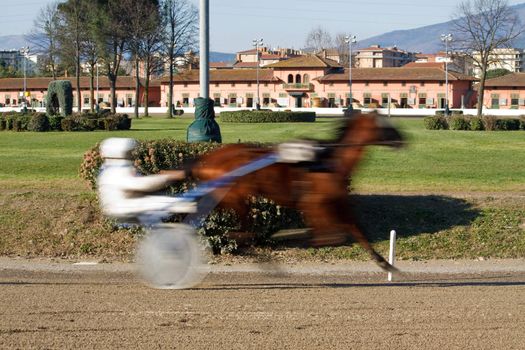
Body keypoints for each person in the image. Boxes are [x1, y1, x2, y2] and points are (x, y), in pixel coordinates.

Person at [97, 137, 196, 220]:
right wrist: (169, 177)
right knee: (181, 204)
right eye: (130, 152)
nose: (133, 155)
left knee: (173, 203)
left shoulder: (112, 168)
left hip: (129, 204)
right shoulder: (115, 172)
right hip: (125, 207)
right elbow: (143, 184)